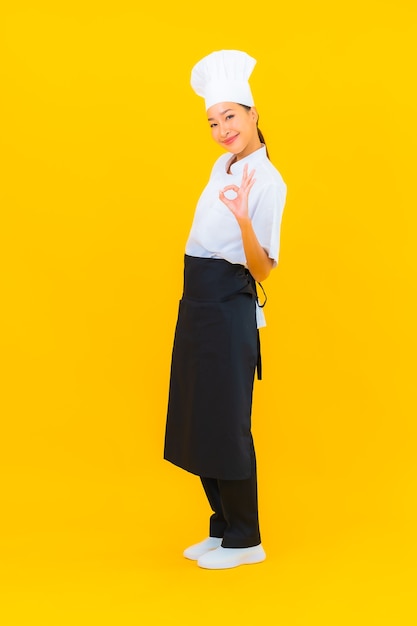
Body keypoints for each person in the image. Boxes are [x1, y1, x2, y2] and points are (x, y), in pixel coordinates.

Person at [164, 50, 287, 570]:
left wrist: (242, 220)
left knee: (227, 421)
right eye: (213, 121)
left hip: (227, 303)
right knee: (199, 416)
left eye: (229, 117)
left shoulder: (270, 182)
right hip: (197, 301)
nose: (220, 129)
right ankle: (221, 527)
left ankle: (246, 539)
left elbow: (264, 268)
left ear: (254, 113)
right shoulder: (224, 164)